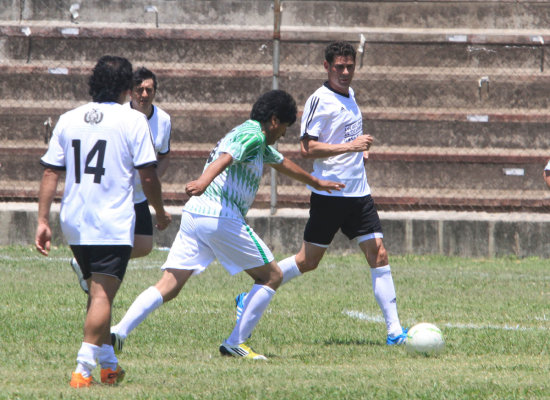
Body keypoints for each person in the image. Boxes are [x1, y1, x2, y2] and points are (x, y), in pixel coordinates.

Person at [109, 90, 344, 360]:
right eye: (285, 128)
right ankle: (237, 341)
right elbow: (226, 158)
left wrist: (317, 183)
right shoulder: (253, 134)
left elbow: (282, 163)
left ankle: (120, 331)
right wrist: (202, 181)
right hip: (219, 216)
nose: (284, 135)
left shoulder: (254, 138)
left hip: (195, 215)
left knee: (170, 284)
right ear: (274, 121)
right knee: (272, 276)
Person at [235, 41, 407, 346]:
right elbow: (307, 148)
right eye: (338, 66)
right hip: (330, 196)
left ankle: (394, 331)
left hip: (358, 192)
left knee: (378, 253)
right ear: (326, 67)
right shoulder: (320, 99)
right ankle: (249, 296)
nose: (344, 72)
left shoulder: (351, 95)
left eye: (349, 66)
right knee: (308, 261)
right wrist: (350, 147)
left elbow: (345, 136)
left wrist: (358, 153)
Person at [35, 55, 172, 388]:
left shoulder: (69, 119)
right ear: (127, 87)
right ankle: (83, 370)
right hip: (111, 219)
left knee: (98, 292)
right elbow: (148, 175)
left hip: (75, 220)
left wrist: (42, 220)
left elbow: (52, 170)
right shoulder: (132, 121)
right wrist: (160, 211)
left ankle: (109, 366)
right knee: (101, 297)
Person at [70, 66, 172, 293]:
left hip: (140, 194)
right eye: (139, 90)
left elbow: (164, 155)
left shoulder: (164, 120)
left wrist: (154, 175)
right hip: (116, 192)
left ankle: (85, 263)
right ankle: (96, 270)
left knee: (144, 245)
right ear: (130, 92)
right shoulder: (121, 117)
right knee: (115, 248)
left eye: (149, 90)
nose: (144, 95)